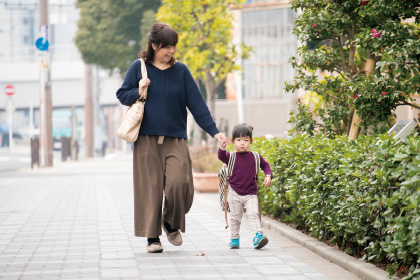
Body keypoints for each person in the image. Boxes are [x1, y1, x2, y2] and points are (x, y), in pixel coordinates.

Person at [116, 23, 227, 253]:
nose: (171, 51)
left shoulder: (181, 71)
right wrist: (138, 89)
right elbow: (122, 96)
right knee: (150, 189)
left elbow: (197, 105)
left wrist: (214, 132)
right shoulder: (139, 68)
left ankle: (169, 221)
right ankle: (152, 237)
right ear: (155, 45)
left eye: (174, 46)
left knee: (179, 184)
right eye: (167, 47)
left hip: (175, 139)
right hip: (146, 140)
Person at [218, 123, 272, 249]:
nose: (242, 143)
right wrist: (222, 147)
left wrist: (268, 175)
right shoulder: (231, 156)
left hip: (251, 193)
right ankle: (234, 239)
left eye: (246, 140)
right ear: (233, 141)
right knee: (235, 218)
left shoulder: (255, 156)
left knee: (254, 214)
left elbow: (266, 166)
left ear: (251, 141)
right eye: (239, 140)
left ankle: (258, 236)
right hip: (234, 192)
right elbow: (221, 156)